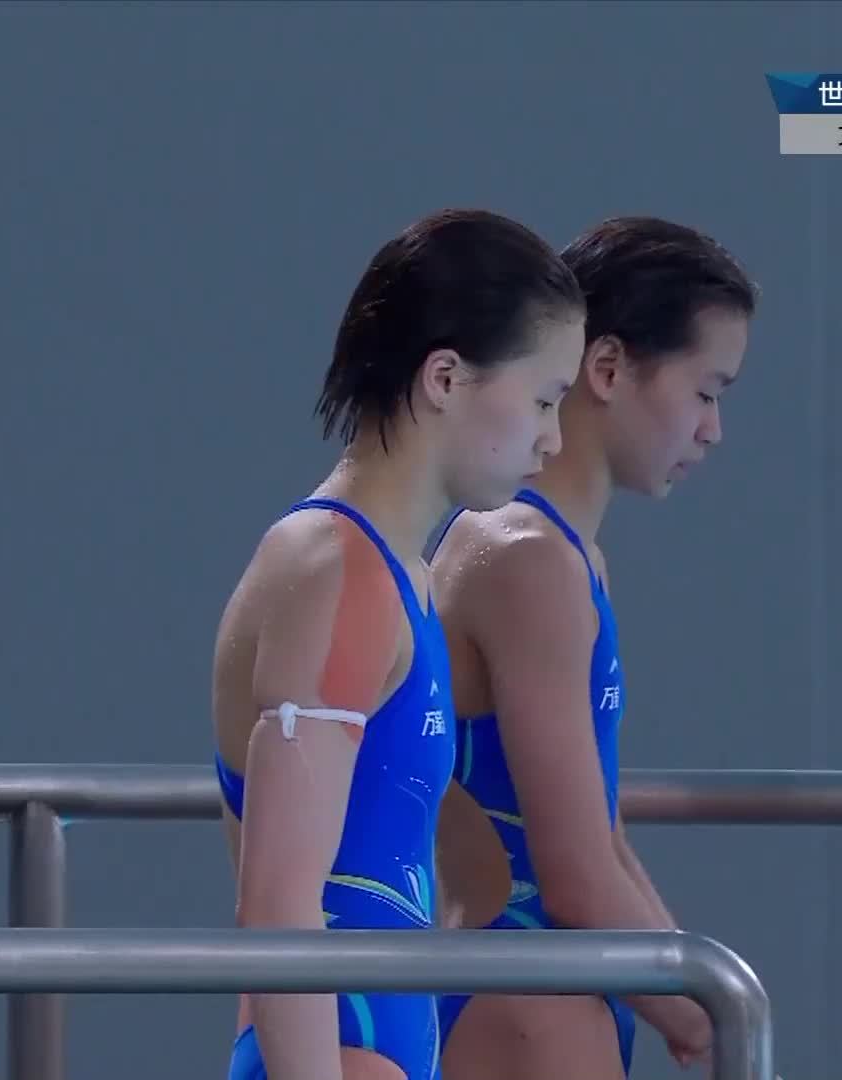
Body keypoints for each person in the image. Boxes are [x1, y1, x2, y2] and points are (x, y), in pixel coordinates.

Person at [210, 207, 586, 1080]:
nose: (554, 437)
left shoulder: (397, 572)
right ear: (445, 377)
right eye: (542, 400)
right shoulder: (337, 573)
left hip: (376, 1038)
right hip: (337, 1050)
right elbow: (278, 908)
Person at [430, 216, 758, 1080]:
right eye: (706, 392)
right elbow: (573, 874)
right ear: (607, 368)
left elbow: (599, 835)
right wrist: (701, 1013)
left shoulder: (565, 556)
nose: (714, 430)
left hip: (555, 976)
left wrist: (694, 991)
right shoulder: (526, 557)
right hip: (523, 992)